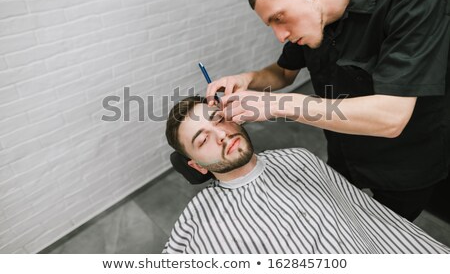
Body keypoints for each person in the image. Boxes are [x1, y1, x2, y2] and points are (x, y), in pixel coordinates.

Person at [206, 0, 450, 222]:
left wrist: (279, 105)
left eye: (279, 18)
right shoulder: (314, 11)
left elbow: (391, 117)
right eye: (271, 25)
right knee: (340, 221)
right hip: (344, 151)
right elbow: (284, 73)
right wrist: (247, 79)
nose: (280, 35)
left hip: (404, 163)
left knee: (380, 237)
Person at [163, 96, 450, 253]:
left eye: (219, 120)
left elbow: (369, 217)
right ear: (197, 166)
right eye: (202, 141)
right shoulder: (198, 218)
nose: (222, 135)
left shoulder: (299, 158)